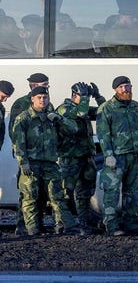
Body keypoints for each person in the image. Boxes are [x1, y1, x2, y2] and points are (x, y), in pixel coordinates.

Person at [11, 86, 82, 236]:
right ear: (32, 99)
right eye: (39, 98)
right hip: (31, 163)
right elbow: (18, 142)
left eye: (45, 97)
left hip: (50, 163)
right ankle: (32, 229)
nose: (42, 100)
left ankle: (67, 226)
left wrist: (60, 118)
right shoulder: (24, 118)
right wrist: (23, 162)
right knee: (30, 197)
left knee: (58, 196)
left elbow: (74, 129)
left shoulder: (52, 117)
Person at [96, 76, 138, 236]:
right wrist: (108, 155)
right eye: (121, 87)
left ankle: (131, 225)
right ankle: (112, 227)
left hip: (135, 156)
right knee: (112, 193)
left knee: (133, 193)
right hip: (117, 157)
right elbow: (103, 134)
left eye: (127, 86)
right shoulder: (107, 108)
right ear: (115, 90)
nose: (125, 89)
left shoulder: (136, 107)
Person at [56, 81, 105, 233]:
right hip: (70, 158)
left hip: (86, 157)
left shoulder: (81, 106)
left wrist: (98, 97)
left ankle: (84, 224)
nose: (86, 99)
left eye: (87, 97)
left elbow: (105, 112)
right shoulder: (65, 108)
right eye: (83, 96)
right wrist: (84, 98)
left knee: (85, 193)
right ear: (74, 95)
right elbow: (82, 113)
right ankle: (61, 224)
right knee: (65, 192)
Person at [9, 72, 51, 236]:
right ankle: (22, 224)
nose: (46, 88)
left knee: (41, 192)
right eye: (43, 84)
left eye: (47, 84)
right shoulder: (21, 104)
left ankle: (38, 223)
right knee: (27, 191)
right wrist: (22, 157)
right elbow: (15, 132)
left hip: (45, 156)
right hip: (28, 156)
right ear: (32, 85)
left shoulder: (48, 103)